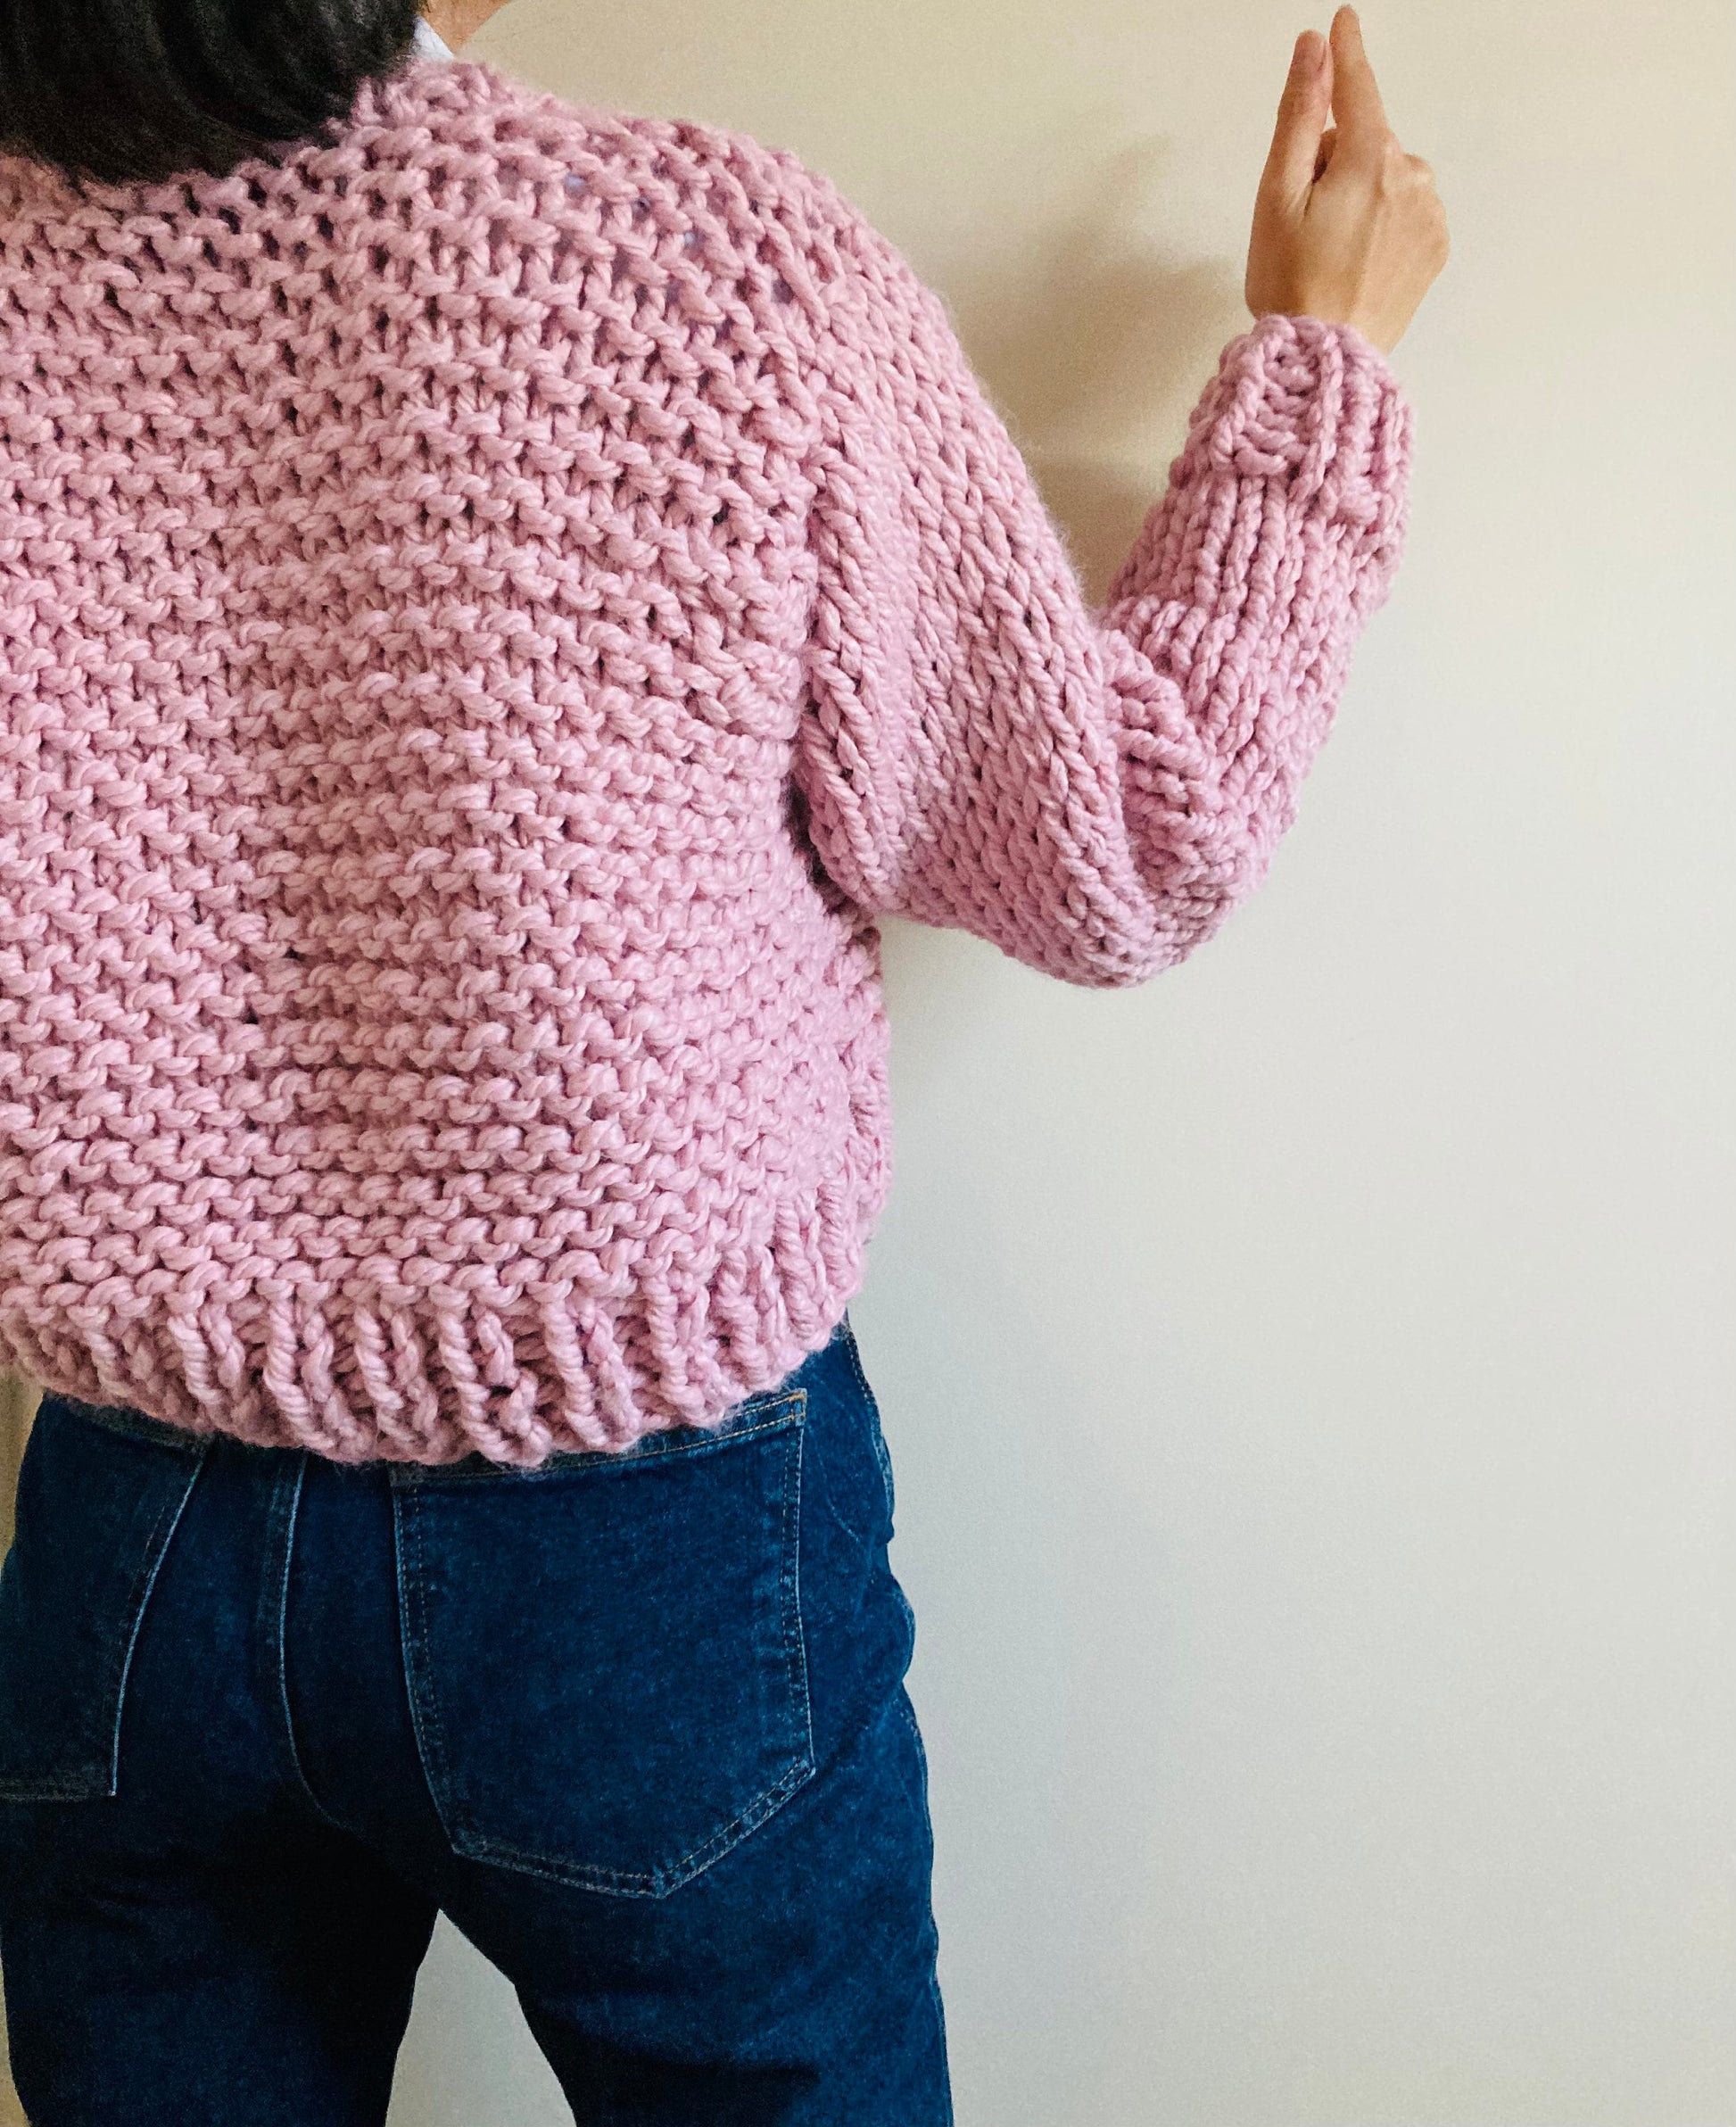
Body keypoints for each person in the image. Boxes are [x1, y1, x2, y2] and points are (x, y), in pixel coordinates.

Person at [0, 0, 1446, 2118]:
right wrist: (1321, 374)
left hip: (127, 1558)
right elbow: (1126, 844)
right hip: (641, 1554)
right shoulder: (704, 279)